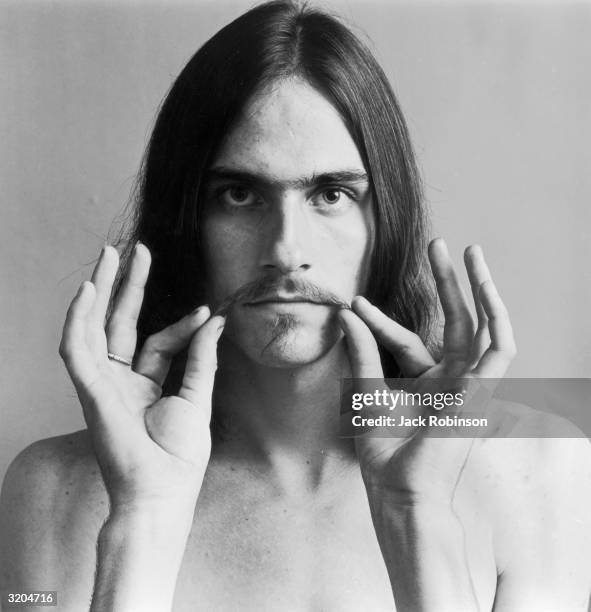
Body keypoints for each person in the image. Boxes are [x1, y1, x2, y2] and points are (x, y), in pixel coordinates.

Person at [1, 1, 589, 610]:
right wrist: (142, 517)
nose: (285, 251)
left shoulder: (539, 467)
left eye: (330, 194)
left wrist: (418, 518)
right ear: (184, 221)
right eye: (238, 194)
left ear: (387, 220)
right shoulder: (49, 488)